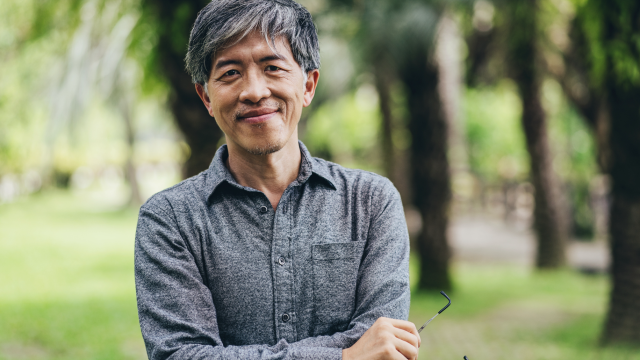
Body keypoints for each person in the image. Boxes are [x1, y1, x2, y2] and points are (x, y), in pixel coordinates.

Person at [134, 0, 420, 359]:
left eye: (272, 67)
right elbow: (181, 355)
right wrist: (343, 356)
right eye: (230, 73)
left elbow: (382, 347)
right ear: (206, 96)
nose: (254, 91)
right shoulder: (169, 220)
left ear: (308, 85)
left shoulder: (371, 202)